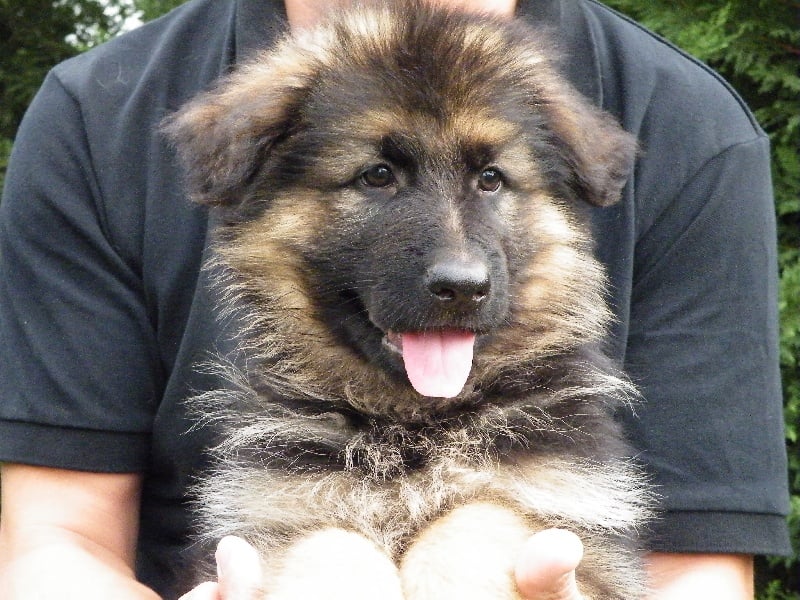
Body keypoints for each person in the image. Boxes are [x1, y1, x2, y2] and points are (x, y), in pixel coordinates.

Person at [0, 0, 791, 598]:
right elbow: (56, 541)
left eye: (492, 179)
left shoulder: (690, 123)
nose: (459, 262)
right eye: (376, 176)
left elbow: (698, 577)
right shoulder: (96, 112)